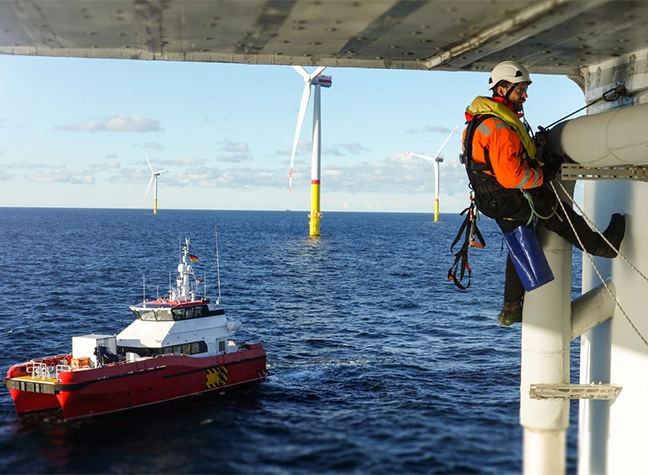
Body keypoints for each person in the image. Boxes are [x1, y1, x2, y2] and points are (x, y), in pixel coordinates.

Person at [461, 60, 625, 326]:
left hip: (491, 199)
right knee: (560, 216)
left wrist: (534, 156)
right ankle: (603, 247)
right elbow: (513, 176)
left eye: (525, 89)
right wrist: (545, 173)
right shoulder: (500, 127)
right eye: (520, 89)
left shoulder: (478, 122)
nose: (525, 95)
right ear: (502, 89)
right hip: (511, 197)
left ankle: (511, 307)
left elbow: (497, 163)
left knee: (520, 242)